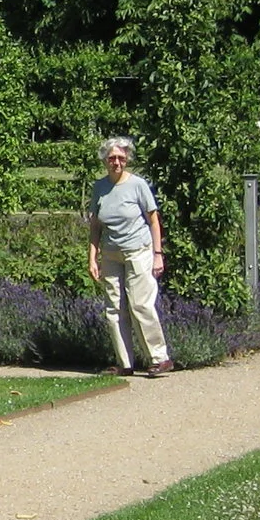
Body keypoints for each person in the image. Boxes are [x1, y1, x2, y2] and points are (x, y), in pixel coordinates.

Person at [88, 136, 173, 375]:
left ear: (127, 160)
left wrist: (158, 254)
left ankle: (159, 357)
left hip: (139, 251)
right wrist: (92, 257)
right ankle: (124, 363)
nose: (116, 162)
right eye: (112, 158)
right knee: (114, 308)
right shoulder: (100, 188)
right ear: (105, 160)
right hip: (111, 254)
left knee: (140, 304)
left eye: (121, 158)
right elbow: (95, 226)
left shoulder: (138, 185)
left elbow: (153, 220)